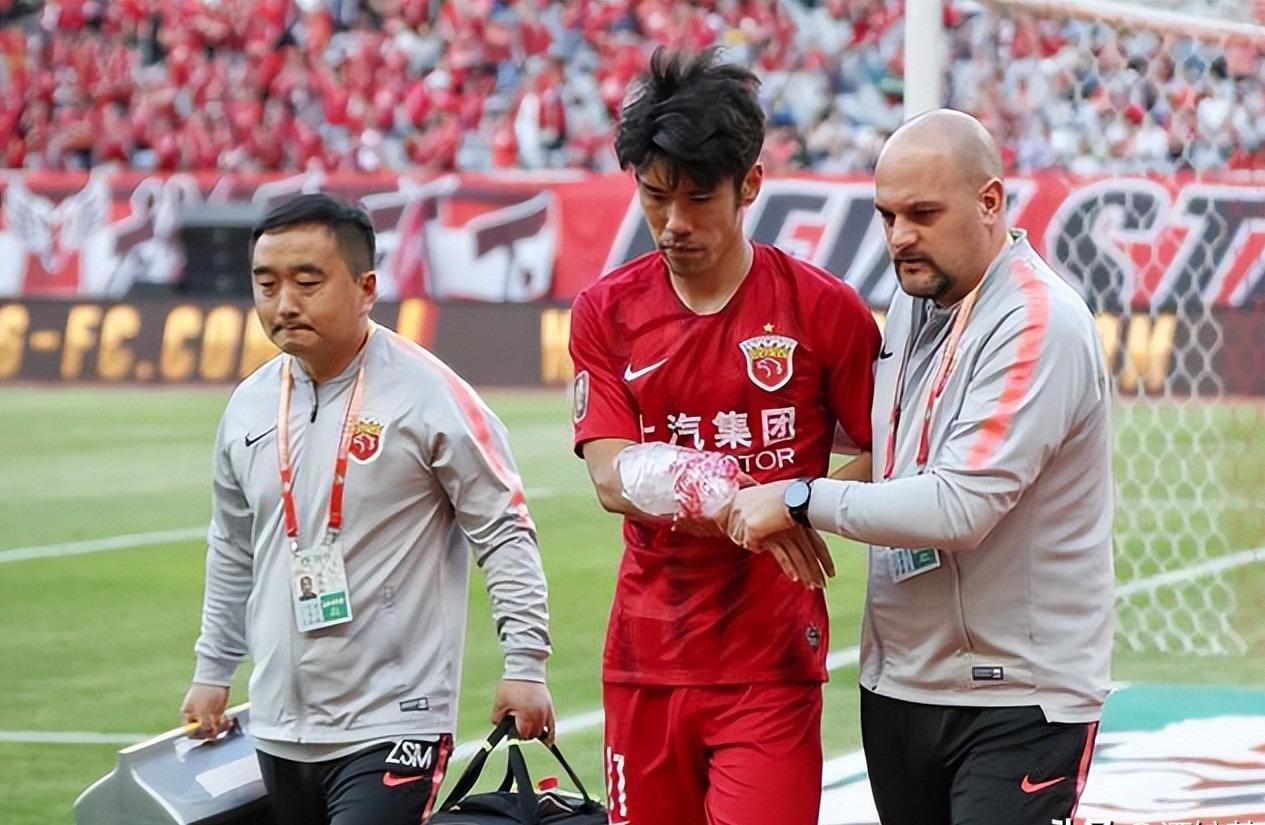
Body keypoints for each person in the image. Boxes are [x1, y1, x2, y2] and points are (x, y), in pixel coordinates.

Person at [727, 109, 1114, 825]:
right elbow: (892, 450)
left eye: (923, 214)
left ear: (989, 201)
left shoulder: (1039, 321)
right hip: (901, 685)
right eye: (888, 216)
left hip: (1019, 699)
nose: (899, 236)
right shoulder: (915, 304)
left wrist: (801, 498)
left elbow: (958, 506)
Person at [568, 48, 880, 825]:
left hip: (770, 663)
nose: (674, 223)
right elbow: (609, 476)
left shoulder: (823, 309)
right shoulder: (606, 312)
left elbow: (890, 450)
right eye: (654, 196)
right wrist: (734, 494)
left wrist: (800, 501)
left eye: (698, 197)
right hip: (645, 658)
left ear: (749, 185)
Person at [181, 193, 554, 825]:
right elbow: (233, 548)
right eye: (266, 284)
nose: (284, 303)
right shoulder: (248, 405)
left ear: (366, 288)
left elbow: (503, 529)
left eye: (308, 282)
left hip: (396, 719)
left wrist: (525, 663)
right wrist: (214, 669)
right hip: (277, 724)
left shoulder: (429, 394)